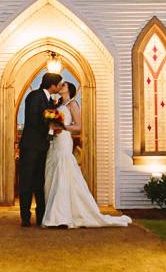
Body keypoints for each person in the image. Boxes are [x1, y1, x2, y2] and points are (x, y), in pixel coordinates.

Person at [42, 81, 132, 228]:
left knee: (63, 173)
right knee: (54, 173)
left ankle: (60, 217)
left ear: (69, 89)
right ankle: (56, 213)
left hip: (64, 139)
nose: (60, 87)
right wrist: (52, 126)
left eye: (63, 85)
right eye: (60, 85)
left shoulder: (73, 104)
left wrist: (62, 126)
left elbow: (78, 127)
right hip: (55, 142)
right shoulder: (56, 105)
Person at [18, 72, 63, 227]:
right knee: (27, 181)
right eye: (58, 84)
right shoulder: (34, 96)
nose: (59, 87)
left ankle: (41, 216)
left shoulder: (50, 100)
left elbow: (49, 114)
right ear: (52, 85)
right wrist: (49, 126)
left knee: (39, 182)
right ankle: (25, 217)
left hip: (43, 147)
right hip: (30, 146)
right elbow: (33, 118)